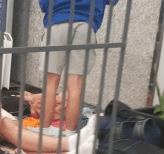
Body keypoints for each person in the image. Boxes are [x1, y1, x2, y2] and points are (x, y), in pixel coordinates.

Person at [38, 0, 119, 136]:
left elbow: (44, 4)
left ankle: (44, 130)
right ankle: (70, 133)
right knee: (75, 85)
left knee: (50, 83)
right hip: (86, 27)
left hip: (57, 23)